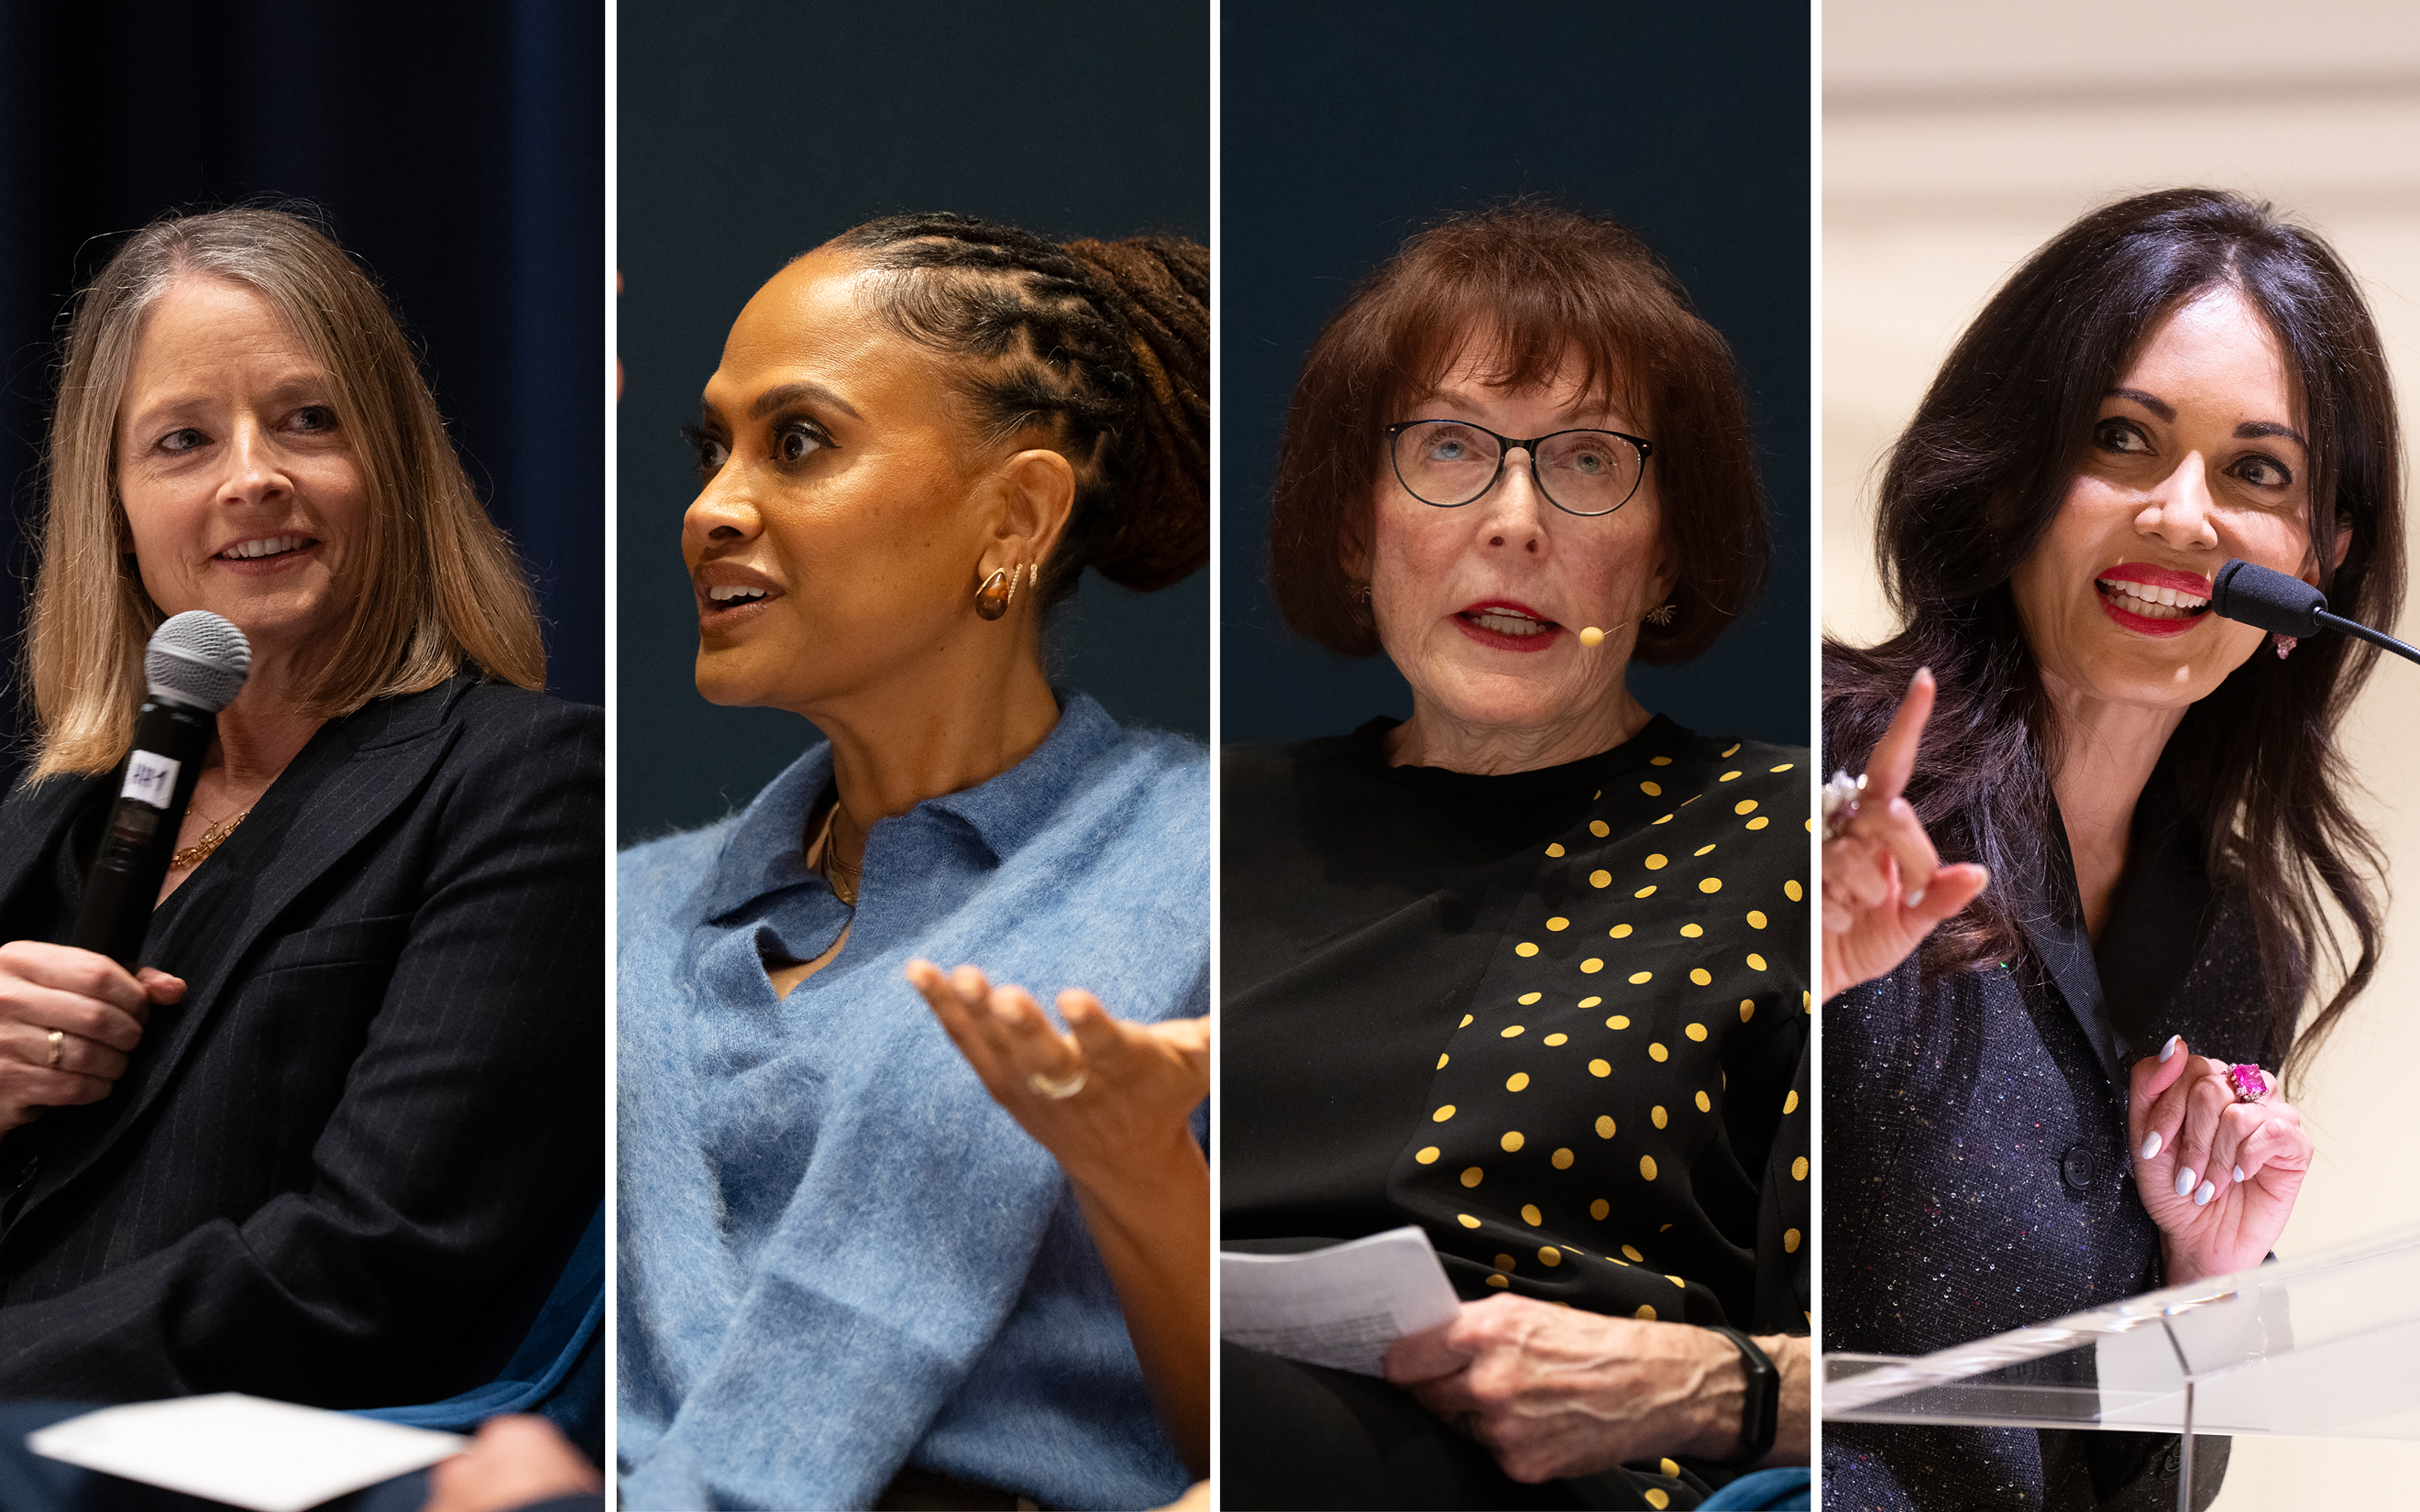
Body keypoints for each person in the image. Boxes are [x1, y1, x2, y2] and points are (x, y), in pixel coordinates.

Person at [1221, 203, 1812, 1511]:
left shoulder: (1796, 843)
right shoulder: (1205, 821)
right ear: (1351, 524)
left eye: (1589, 463)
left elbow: (1945, 1373)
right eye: (1448, 448)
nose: (1514, 519)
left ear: (1665, 562)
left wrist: (1708, 1382)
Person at [615, 213, 1211, 1510]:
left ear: (1015, 516)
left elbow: (1283, 1441)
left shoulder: (1212, 870)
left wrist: (1139, 1167)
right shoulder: (625, 910)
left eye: (800, 441)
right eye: (712, 447)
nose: (711, 509)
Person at [1820, 188, 2397, 1509]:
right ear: (2012, 475)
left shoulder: (2239, 943)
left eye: (2259, 471)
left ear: (2319, 562)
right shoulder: (1818, 771)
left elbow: (2142, 1482)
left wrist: (2206, 1277)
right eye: (2123, 440)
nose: (2184, 516)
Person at [0, 209, 602, 1406]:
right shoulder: (54, 817)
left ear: (394, 465)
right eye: (182, 438)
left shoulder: (524, 781)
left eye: (307, 419)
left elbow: (369, 1268)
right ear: (112, 510)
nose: (253, 475)